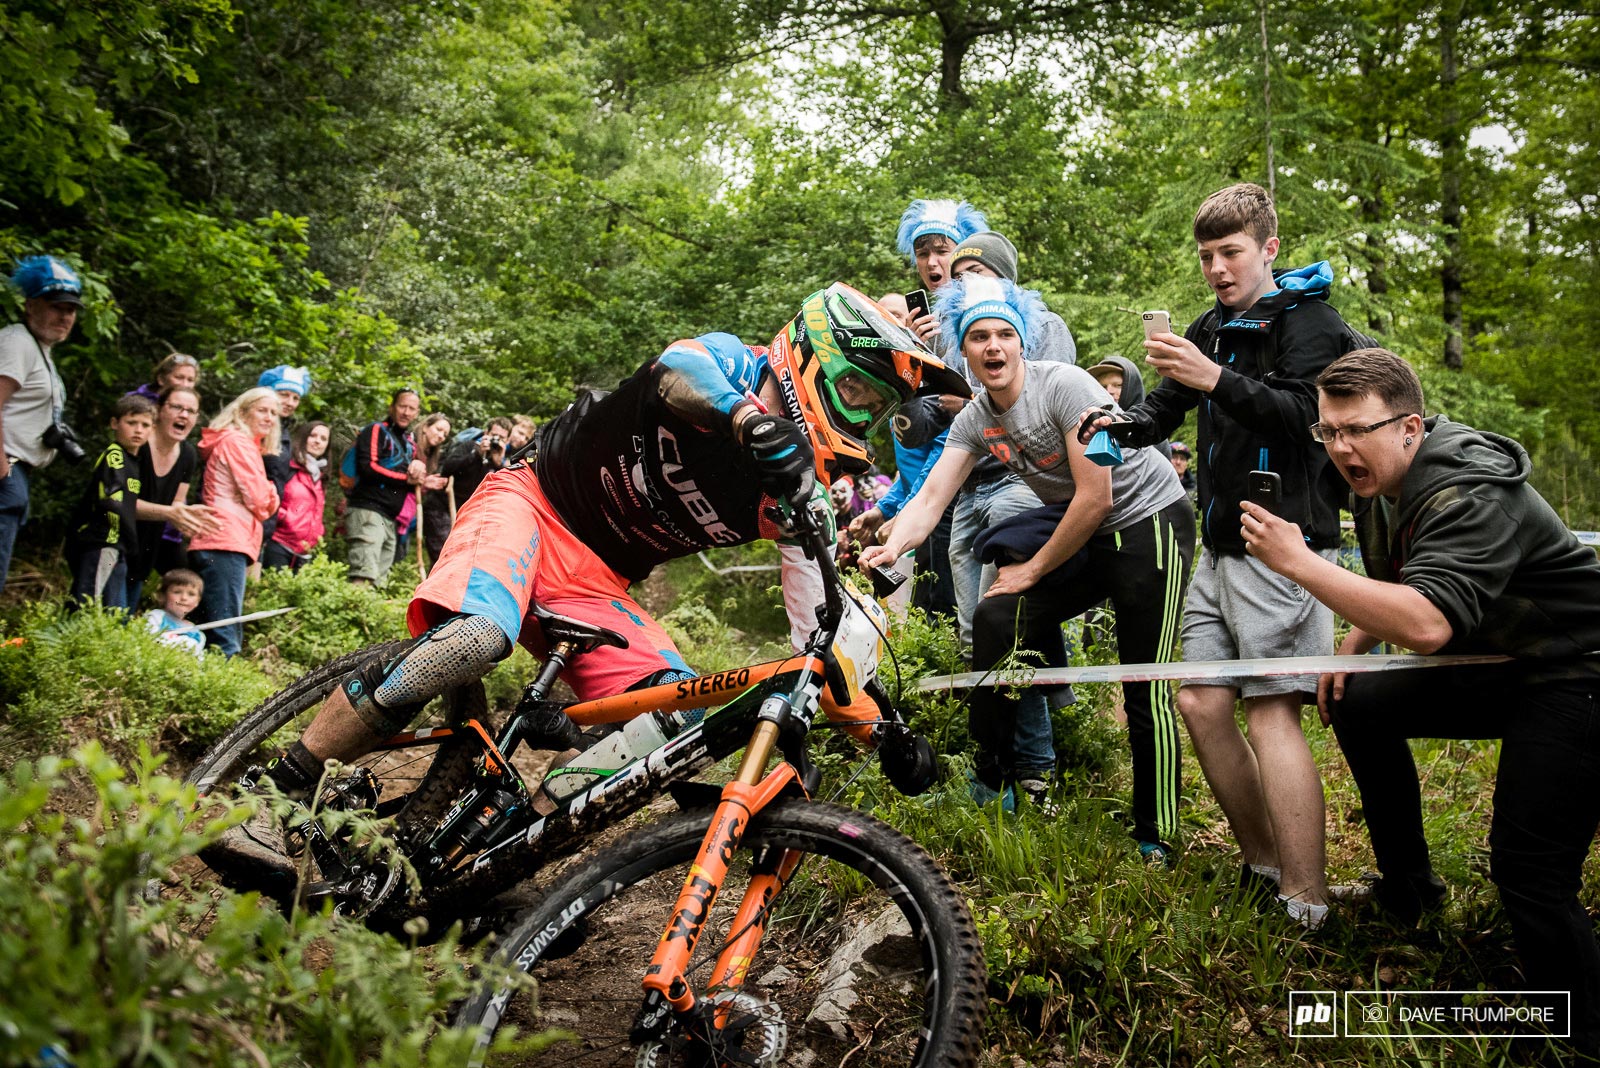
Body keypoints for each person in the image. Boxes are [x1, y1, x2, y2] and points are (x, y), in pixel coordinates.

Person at [209, 282, 967, 885]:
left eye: (874, 407)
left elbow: (821, 632)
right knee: (475, 639)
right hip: (531, 505)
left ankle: (496, 858)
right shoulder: (733, 364)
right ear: (820, 358)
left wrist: (881, 730)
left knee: (679, 718)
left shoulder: (792, 496)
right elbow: (677, 372)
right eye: (862, 396)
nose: (864, 419)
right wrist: (745, 422)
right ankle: (271, 796)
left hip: (598, 585)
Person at [1241, 348, 1600, 1056]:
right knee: (1361, 699)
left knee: (1529, 870)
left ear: (1410, 426)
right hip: (1514, 663)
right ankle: (1409, 891)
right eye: (1329, 432)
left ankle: (1575, 1032)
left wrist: (1299, 563)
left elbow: (1429, 622)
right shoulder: (1381, 483)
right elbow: (1411, 578)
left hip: (1579, 673)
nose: (1342, 448)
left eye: (1358, 430)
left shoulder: (1466, 487)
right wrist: (1347, 649)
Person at [1083, 182, 1365, 925]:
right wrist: (1120, 422)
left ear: (1269, 248)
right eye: (1206, 255)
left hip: (1284, 546)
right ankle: (1263, 864)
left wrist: (1215, 377)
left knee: (1273, 713)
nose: (1216, 267)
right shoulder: (1211, 325)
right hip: (1217, 546)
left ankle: (1307, 905)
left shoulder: (1311, 323)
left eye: (1231, 252)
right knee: (1201, 703)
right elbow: (1168, 408)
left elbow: (1310, 416)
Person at [862, 276, 1193, 845]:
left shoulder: (1067, 386)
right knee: (996, 617)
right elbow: (933, 497)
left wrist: (1034, 568)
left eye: (1005, 335)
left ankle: (1155, 833)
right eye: (979, 338)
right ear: (963, 354)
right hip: (1085, 531)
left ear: (1022, 344)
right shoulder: (974, 420)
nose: (994, 347)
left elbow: (1097, 496)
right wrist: (893, 545)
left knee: (1145, 682)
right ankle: (993, 776)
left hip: (1148, 524)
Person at [1, 255, 82, 595]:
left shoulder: (39, 348)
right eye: (56, 306)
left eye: (71, 309)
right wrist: (2, 467)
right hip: (7, 468)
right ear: (30, 305)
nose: (65, 316)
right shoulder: (17, 341)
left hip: (17, 472)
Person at [188, 387, 281, 656]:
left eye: (274, 413)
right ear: (242, 411)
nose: (270, 418)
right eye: (262, 410)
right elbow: (260, 501)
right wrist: (272, 491)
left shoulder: (239, 443)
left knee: (211, 625)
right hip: (225, 540)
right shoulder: (237, 443)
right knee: (225, 631)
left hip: (222, 540)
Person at [128, 386, 216, 606]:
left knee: (124, 613)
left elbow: (177, 500)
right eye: (176, 407)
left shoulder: (187, 454)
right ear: (158, 409)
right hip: (112, 540)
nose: (183, 415)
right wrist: (171, 513)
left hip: (148, 542)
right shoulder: (136, 444)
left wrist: (186, 516)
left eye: (190, 411)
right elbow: (121, 503)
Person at [68, 394, 156, 608]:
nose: (138, 430)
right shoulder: (115, 455)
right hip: (103, 542)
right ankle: (68, 639)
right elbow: (111, 501)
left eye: (145, 425)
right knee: (87, 599)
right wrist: (131, 538)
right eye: (131, 423)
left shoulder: (135, 461)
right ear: (115, 423)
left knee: (114, 609)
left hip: (119, 546)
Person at [344, 389, 432, 586]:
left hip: (390, 518)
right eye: (402, 406)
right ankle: (354, 614)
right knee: (364, 575)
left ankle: (367, 616)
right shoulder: (375, 430)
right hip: (368, 510)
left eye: (412, 409)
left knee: (379, 582)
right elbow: (369, 467)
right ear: (392, 407)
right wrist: (406, 480)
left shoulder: (408, 442)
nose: (406, 412)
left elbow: (409, 478)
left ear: (417, 413)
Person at [256, 365, 311, 553]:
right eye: (284, 394)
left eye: (296, 398)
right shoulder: (256, 428)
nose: (290, 402)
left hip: (266, 522)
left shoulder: (283, 432)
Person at [264, 421, 330, 571]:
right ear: (303, 437)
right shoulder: (288, 466)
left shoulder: (320, 476)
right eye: (313, 435)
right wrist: (286, 518)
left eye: (323, 438)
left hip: (304, 553)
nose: (317, 441)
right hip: (278, 544)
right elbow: (269, 496)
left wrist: (319, 532)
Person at [439, 416, 513, 511]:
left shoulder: (504, 462)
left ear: (507, 441)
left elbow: (500, 495)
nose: (496, 440)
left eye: (501, 438)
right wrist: (477, 455)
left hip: (473, 510)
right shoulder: (470, 446)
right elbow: (447, 468)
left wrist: (498, 464)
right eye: (494, 435)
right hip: (446, 504)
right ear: (486, 433)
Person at [413, 412, 454, 563]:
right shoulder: (410, 446)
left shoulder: (431, 457)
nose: (441, 436)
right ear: (425, 427)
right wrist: (423, 482)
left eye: (445, 434)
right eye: (439, 429)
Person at [143, 568, 206, 659]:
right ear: (162, 596)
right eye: (177, 592)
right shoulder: (155, 617)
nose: (184, 598)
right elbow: (150, 642)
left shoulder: (197, 633)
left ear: (197, 601)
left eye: (191, 594)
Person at [128, 353, 201, 406]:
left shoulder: (190, 408)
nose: (185, 385)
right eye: (179, 378)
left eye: (190, 380)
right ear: (161, 379)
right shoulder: (134, 403)